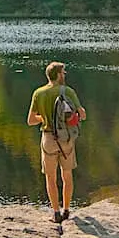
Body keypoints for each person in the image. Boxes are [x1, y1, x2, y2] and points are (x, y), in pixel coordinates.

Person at [27, 61, 86, 223]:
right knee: (67, 175)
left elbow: (31, 120)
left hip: (48, 139)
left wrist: (45, 118)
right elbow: (82, 114)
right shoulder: (68, 91)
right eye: (63, 72)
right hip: (66, 139)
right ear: (59, 75)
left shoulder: (38, 93)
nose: (65, 75)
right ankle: (67, 210)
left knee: (50, 178)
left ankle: (55, 213)